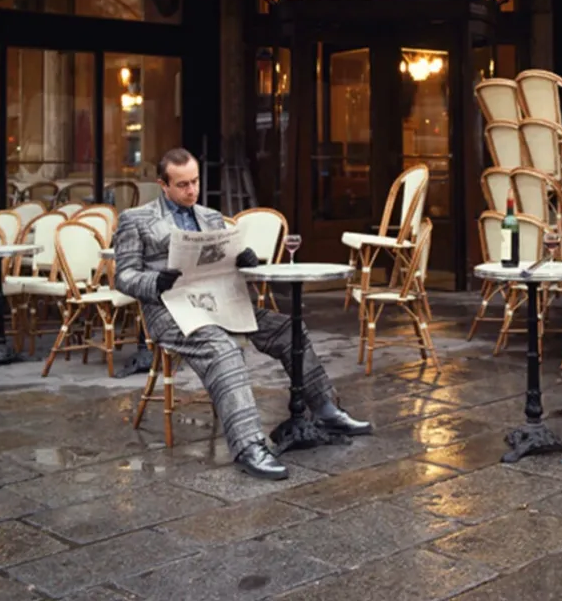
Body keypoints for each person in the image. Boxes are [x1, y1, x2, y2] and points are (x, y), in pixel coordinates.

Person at [114, 147, 371, 481]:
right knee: (223, 349)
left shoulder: (210, 217)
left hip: (219, 303)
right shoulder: (136, 219)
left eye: (195, 182)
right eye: (182, 185)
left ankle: (324, 408)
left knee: (286, 328)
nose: (192, 190)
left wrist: (245, 261)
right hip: (171, 311)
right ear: (163, 185)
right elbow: (124, 276)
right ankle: (249, 445)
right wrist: (155, 281)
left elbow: (224, 259)